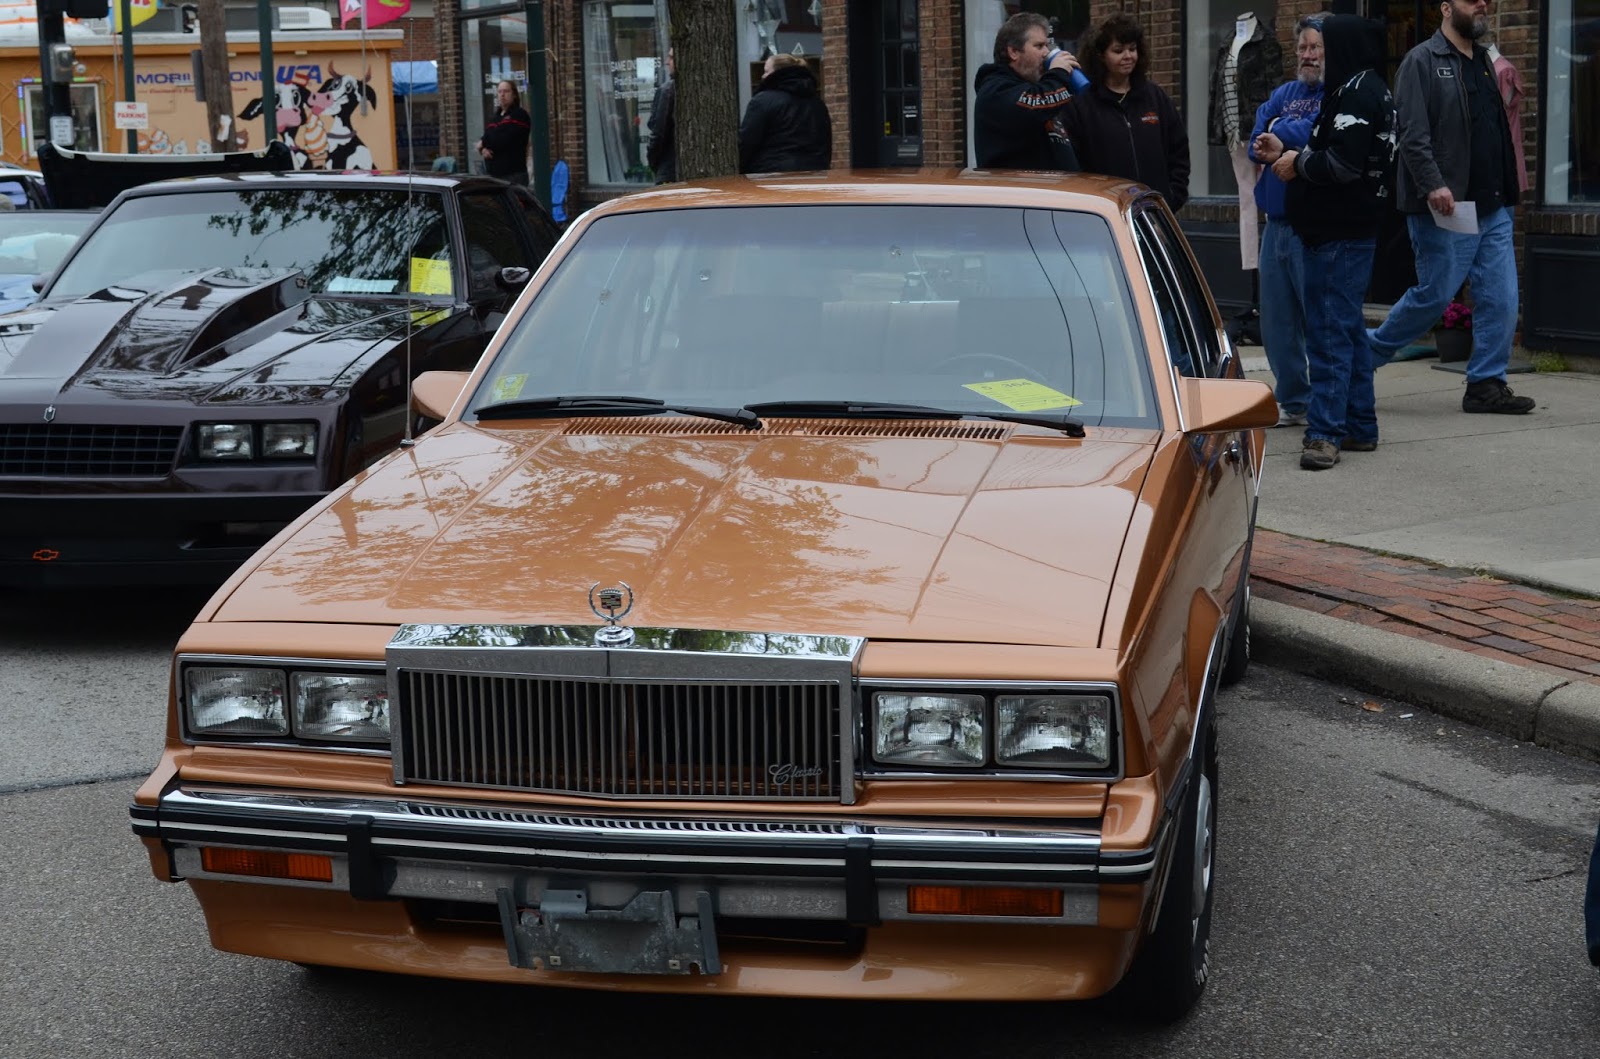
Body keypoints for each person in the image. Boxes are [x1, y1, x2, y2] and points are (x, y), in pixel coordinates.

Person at [1365, 0, 1533, 415]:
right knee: (1435, 295)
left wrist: (1510, 185)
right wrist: (1433, 183)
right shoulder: (1421, 61)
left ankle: (1486, 384)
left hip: (1493, 204)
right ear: (1445, 8)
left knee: (1501, 297)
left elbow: (1495, 130)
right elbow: (1412, 131)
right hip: (1447, 204)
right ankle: (1361, 359)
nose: (1482, 4)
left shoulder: (1484, 61)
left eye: (1486, 1)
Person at [1272, 15, 1395, 471]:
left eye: (1326, 46)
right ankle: (1360, 425)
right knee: (1347, 332)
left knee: (1326, 337)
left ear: (1342, 48)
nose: (1318, 54)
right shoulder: (1360, 88)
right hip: (1344, 232)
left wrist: (1295, 162)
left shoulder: (1357, 93)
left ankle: (1324, 434)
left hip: (1338, 235)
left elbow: (1343, 165)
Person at [1249, 16, 1325, 429]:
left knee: (1317, 319)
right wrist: (1271, 136)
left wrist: (1283, 133)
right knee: (1276, 323)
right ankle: (1294, 400)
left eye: (1315, 48)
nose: (1308, 56)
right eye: (1303, 49)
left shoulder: (1335, 93)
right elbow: (1256, 137)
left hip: (1311, 224)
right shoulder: (1283, 93)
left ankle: (1330, 399)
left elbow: (1319, 131)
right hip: (1274, 223)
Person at [1060, 13, 1188, 209]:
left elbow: (1178, 151)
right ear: (1101, 55)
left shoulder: (1155, 97)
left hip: (1154, 215)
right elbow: (1072, 163)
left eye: (1133, 49)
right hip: (1105, 215)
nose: (1128, 56)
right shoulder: (1081, 104)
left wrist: (1171, 199)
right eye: (1118, 50)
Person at [973, 12, 1083, 171]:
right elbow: (1038, 103)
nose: (1046, 52)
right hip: (1021, 193)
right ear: (1014, 52)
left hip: (1056, 192)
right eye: (1039, 46)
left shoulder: (1035, 88)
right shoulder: (996, 90)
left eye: (1046, 45)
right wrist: (1058, 73)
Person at [738, 54, 832, 174]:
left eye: (766, 71)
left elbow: (746, 143)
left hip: (771, 176)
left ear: (778, 73)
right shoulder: (818, 104)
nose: (763, 76)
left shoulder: (762, 101)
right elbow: (826, 144)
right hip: (814, 174)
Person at [475, 80, 532, 186]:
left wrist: (483, 143)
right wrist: (483, 149)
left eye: (506, 91)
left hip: (514, 176)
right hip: (494, 176)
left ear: (514, 94)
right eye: (499, 91)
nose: (502, 94)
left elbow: (503, 140)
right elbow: (487, 137)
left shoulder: (520, 115)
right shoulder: (495, 117)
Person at [647, 47, 677, 184]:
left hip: (668, 170)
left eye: (671, 58)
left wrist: (652, 160)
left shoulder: (667, 91)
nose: (666, 62)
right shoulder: (668, 90)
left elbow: (658, 131)